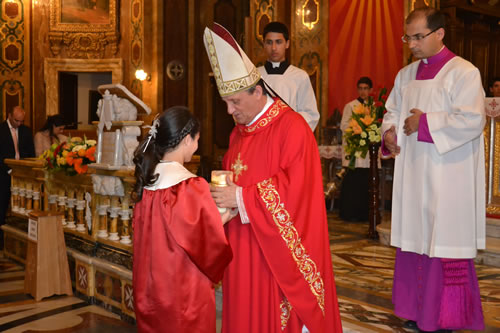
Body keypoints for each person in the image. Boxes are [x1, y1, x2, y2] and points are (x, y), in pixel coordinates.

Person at [204, 23, 342, 333]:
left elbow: (298, 190)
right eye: (225, 102)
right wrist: (222, 197)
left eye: (235, 102)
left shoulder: (292, 128)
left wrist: (240, 197)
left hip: (276, 257)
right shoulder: (239, 133)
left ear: (257, 91)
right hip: (243, 247)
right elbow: (233, 179)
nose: (229, 111)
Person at [381, 7, 485, 332]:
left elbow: (471, 120)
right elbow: (392, 112)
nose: (411, 43)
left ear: (439, 34)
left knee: (442, 242)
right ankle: (414, 310)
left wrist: (423, 123)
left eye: (417, 37)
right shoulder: (405, 75)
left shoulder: (464, 72)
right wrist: (389, 132)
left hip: (447, 175)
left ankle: (443, 318)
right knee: (413, 240)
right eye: (407, 37)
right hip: (413, 174)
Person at [131, 106, 233, 333]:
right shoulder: (189, 186)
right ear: (187, 139)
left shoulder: (148, 184)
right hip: (182, 290)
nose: (196, 146)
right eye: (197, 140)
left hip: (149, 290)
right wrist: (226, 217)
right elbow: (203, 240)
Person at [257, 21, 320, 131]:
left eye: (278, 42)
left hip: (289, 135)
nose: (274, 48)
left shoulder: (300, 76)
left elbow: (311, 114)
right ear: (264, 44)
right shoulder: (254, 75)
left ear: (287, 44)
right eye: (269, 42)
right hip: (261, 137)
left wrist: (287, 125)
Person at [339, 76, 373, 221]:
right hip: (354, 150)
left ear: (370, 90)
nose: (363, 91)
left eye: (366, 88)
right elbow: (343, 125)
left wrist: (369, 131)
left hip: (367, 152)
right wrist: (357, 129)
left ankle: (365, 214)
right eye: (360, 88)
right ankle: (349, 213)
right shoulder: (350, 105)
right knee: (353, 182)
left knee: (366, 181)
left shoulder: (374, 106)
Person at [0, 106, 35, 249]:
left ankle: (22, 239)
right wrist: (9, 170)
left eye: (21, 121)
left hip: (22, 175)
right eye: (16, 120)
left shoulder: (26, 131)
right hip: (3, 174)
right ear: (9, 116)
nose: (19, 124)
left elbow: (30, 153)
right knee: (2, 206)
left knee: (24, 207)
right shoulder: (1, 130)